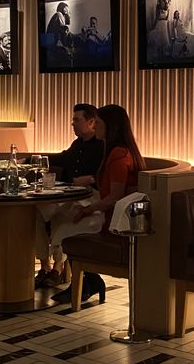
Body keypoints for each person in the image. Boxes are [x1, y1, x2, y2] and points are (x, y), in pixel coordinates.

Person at [49, 104, 145, 305]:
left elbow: (115, 197)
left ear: (110, 126)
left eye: (99, 123)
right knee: (63, 218)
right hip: (119, 215)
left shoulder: (118, 155)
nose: (96, 127)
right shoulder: (119, 151)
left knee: (66, 224)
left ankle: (85, 281)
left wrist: (87, 209)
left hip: (115, 221)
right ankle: (88, 281)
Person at [35, 103, 105, 288]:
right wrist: (29, 160)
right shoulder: (77, 144)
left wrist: (91, 179)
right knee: (35, 212)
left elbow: (108, 177)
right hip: (70, 194)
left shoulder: (103, 146)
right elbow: (62, 158)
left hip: (90, 197)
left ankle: (58, 269)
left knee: (65, 215)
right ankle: (44, 265)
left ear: (91, 122)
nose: (72, 124)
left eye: (76, 120)